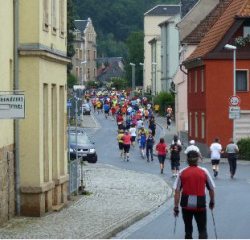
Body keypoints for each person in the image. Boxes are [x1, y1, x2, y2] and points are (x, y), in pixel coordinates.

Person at [173, 150, 215, 239]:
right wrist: (212, 201)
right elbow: (211, 188)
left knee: (188, 230)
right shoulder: (204, 172)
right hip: (200, 204)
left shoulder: (182, 172)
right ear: (197, 160)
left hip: (186, 204)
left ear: (187, 160)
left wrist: (176, 207)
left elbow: (177, 191)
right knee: (202, 229)